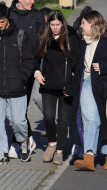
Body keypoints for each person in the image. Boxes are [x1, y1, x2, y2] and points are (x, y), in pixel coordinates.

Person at [67, 9, 107, 172]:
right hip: (87, 83)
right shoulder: (83, 43)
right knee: (91, 118)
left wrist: (104, 66)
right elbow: (79, 68)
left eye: (83, 23)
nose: (81, 27)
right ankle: (89, 156)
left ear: (93, 24)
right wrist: (71, 87)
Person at [0, 2, 35, 165]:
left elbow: (28, 61)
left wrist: (22, 78)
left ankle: (24, 142)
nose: (0, 25)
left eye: (2, 21)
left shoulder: (21, 36)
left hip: (17, 87)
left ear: (8, 19)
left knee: (18, 121)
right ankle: (2, 151)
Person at [35, 10, 77, 165]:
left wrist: (73, 76)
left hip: (66, 85)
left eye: (58, 25)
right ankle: (52, 143)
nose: (55, 28)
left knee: (63, 119)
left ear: (62, 24)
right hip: (48, 84)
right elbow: (35, 57)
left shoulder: (71, 37)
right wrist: (37, 72)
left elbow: (78, 60)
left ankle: (59, 151)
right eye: (52, 25)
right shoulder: (43, 37)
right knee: (48, 117)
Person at [8, 0, 46, 155]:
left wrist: (37, 67)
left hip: (30, 67)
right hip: (10, 67)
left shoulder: (37, 16)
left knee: (20, 106)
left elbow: (42, 43)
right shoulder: (9, 15)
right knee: (12, 108)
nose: (33, 1)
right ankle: (26, 137)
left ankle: (19, 142)